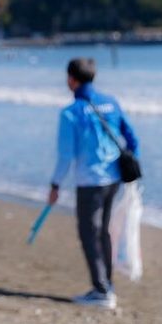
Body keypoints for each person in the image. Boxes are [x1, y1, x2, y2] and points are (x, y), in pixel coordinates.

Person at [47, 58, 139, 310]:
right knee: (103, 232)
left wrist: (55, 185)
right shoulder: (111, 102)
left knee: (89, 234)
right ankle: (106, 286)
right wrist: (131, 166)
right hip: (113, 179)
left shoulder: (71, 113)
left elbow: (66, 155)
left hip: (90, 181)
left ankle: (101, 291)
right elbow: (132, 139)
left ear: (71, 79)